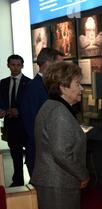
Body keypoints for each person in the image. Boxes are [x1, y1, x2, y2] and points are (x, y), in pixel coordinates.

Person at [31, 62, 89, 209]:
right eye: (77, 83)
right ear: (63, 87)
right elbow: (62, 152)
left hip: (54, 182)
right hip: (57, 184)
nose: (81, 88)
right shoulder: (58, 112)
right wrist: (83, 174)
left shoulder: (53, 107)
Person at [20, 48, 64, 177]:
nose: (63, 68)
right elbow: (32, 125)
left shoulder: (49, 85)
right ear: (48, 63)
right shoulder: (33, 88)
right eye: (60, 63)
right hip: (41, 155)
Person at [0, 55, 31, 187]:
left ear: (22, 66)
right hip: (11, 125)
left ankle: (33, 180)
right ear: (8, 65)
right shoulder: (3, 82)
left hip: (25, 125)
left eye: (18, 65)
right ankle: (17, 181)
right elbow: (1, 100)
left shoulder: (29, 83)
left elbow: (30, 104)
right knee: (15, 155)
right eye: (13, 65)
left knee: (30, 155)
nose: (15, 67)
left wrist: (19, 111)